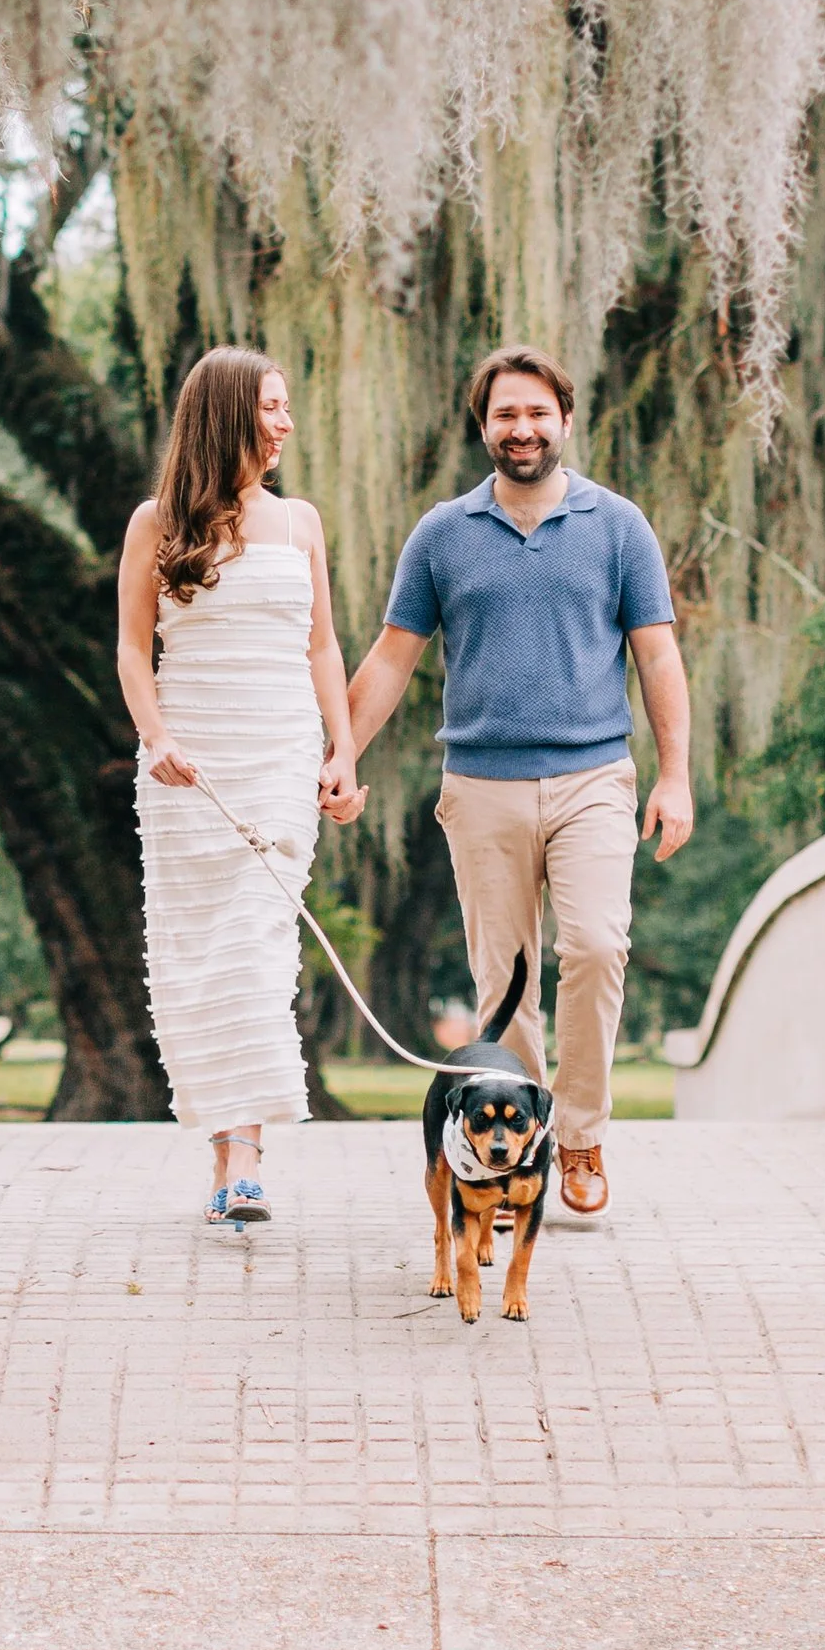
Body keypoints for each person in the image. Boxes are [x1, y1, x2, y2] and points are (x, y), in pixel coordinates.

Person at [347, 345, 692, 1218]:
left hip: (594, 778)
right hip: (481, 786)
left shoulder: (619, 527)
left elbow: (658, 656)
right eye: (506, 414)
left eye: (538, 412)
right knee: (506, 985)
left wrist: (676, 775)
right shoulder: (442, 534)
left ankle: (580, 1137)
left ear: (565, 420)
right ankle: (526, 1145)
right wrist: (339, 753)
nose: (523, 428)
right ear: (484, 426)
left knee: (598, 946)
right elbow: (391, 659)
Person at [117, 348, 364, 1226]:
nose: (286, 422)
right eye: (271, 406)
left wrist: (343, 751)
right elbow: (131, 649)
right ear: (225, 413)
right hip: (189, 766)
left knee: (258, 947)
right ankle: (223, 1152)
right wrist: (157, 737)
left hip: (279, 759)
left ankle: (247, 1160)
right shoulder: (156, 523)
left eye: (288, 406)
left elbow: (322, 646)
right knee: (200, 959)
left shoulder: (300, 523)